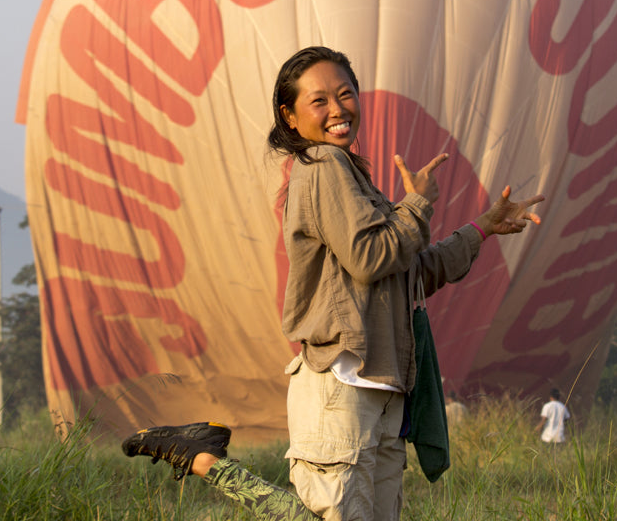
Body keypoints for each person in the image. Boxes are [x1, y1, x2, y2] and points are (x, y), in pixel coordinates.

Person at [121, 46, 545, 521]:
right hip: (341, 387)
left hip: (383, 391)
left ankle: (204, 457)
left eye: (346, 94)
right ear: (290, 117)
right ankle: (206, 461)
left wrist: (483, 226)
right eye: (319, 101)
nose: (339, 109)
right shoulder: (321, 164)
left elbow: (411, 274)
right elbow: (371, 257)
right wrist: (418, 204)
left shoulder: (357, 181)